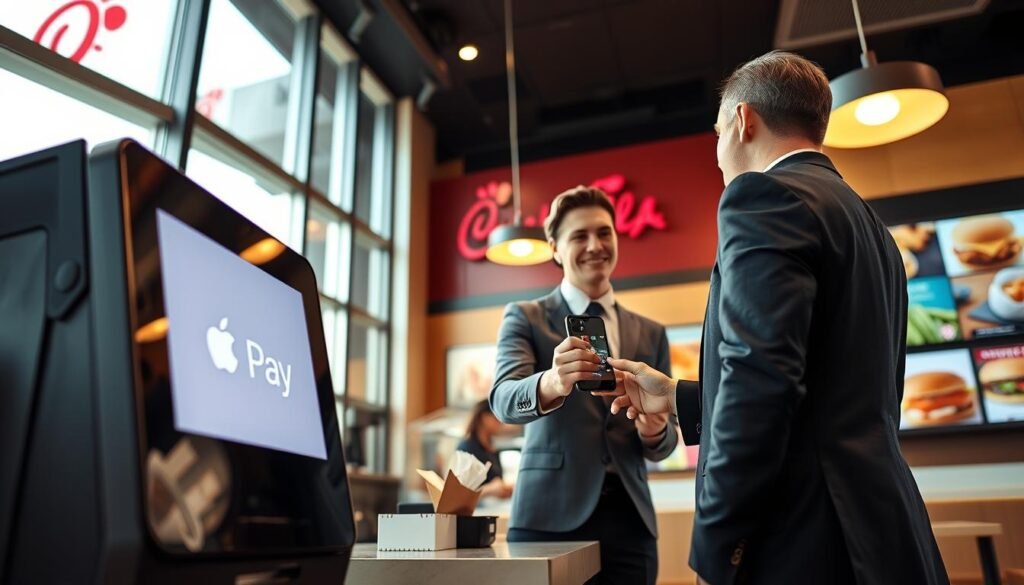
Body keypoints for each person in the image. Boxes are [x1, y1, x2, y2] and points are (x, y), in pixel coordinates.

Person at [605, 51, 949, 585]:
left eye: (716, 133)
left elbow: (760, 387)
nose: (718, 155)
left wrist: (717, 547)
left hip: (805, 541)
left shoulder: (761, 198)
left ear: (743, 121)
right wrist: (677, 396)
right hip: (881, 528)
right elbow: (825, 388)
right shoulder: (872, 226)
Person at [490, 186, 677, 585]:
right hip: (547, 519)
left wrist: (656, 429)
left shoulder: (651, 333)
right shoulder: (525, 317)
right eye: (579, 236)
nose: (595, 245)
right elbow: (503, 399)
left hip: (630, 523)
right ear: (555, 248)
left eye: (604, 232)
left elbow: (664, 444)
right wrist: (553, 382)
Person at [456, 400, 513, 499]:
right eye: (497, 418)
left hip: (492, 508)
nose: (501, 423)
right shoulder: (466, 449)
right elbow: (459, 494)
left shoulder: (493, 449)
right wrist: (490, 490)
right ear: (484, 418)